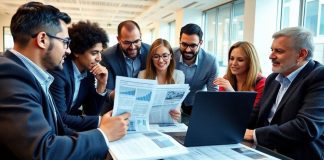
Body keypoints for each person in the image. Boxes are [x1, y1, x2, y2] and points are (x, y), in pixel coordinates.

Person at [0, 2, 130, 159]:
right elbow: (43, 151)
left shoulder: (31, 73)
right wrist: (103, 134)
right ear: (42, 39)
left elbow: (58, 128)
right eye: (65, 42)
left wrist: (102, 134)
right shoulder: (10, 74)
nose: (68, 49)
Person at [244, 27, 324, 160]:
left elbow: (307, 127)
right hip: (264, 151)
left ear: (302, 54)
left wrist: (253, 135)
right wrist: (228, 126)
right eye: (272, 50)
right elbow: (256, 116)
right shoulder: (272, 79)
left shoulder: (319, 76)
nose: (271, 56)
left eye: (279, 51)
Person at [49, 21, 109, 131]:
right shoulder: (59, 72)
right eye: (94, 53)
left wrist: (101, 84)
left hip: (70, 128)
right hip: (54, 130)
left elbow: (91, 112)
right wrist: (101, 121)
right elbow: (60, 118)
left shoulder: (89, 74)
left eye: (100, 52)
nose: (99, 58)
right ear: (76, 51)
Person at [101, 20, 150, 112]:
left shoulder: (150, 52)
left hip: (144, 105)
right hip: (117, 106)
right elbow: (107, 89)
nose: (132, 47)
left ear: (141, 36)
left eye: (136, 41)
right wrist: (114, 94)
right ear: (118, 39)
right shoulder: (107, 56)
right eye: (127, 42)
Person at [174, 23, 218, 116]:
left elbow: (213, 93)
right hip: (172, 105)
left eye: (193, 45)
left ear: (200, 43)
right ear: (179, 41)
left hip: (196, 107)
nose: (188, 50)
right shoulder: (170, 55)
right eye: (184, 44)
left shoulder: (211, 61)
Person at [138, 38, 185, 122]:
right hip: (150, 122)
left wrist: (177, 111)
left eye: (165, 55)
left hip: (171, 122)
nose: (160, 60)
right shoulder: (142, 75)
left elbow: (178, 104)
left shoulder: (179, 75)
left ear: (170, 56)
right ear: (151, 58)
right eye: (156, 56)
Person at [213, 41, 266, 107]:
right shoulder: (227, 79)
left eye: (240, 60)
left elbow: (252, 113)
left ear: (250, 63)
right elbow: (221, 107)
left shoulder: (261, 83)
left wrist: (232, 93)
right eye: (231, 58)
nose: (234, 63)